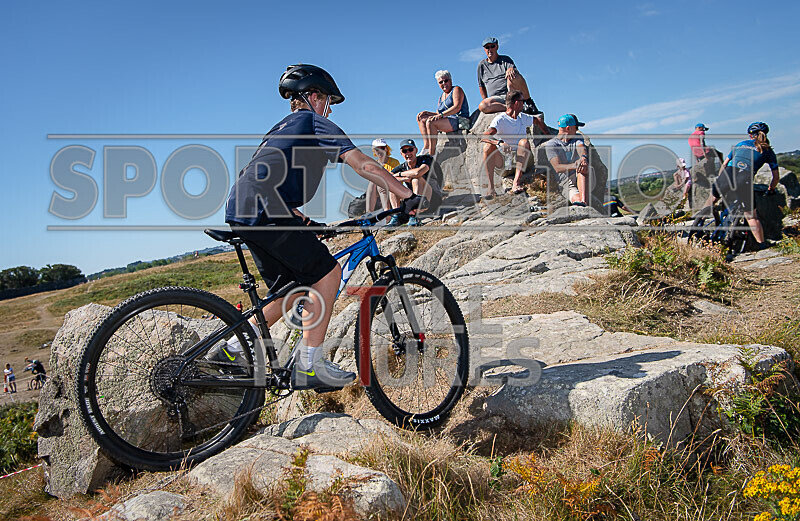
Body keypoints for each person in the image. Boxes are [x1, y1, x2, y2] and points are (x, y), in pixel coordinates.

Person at [224, 64, 421, 390]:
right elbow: (361, 163)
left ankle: (232, 348)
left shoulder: (281, 128)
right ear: (313, 96)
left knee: (290, 291)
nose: (329, 109)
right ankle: (308, 364)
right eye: (328, 100)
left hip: (244, 209)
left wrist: (299, 220)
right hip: (263, 210)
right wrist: (405, 194)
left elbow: (265, 173)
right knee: (327, 273)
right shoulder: (314, 121)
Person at [701, 121, 779, 249]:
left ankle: (698, 224)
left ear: (750, 135)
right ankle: (762, 245)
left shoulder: (740, 144)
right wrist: (771, 189)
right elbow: (775, 177)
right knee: (751, 216)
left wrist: (721, 179)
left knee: (711, 201)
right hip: (744, 180)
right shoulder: (768, 151)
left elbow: (725, 164)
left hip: (727, 175)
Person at [476, 37, 548, 134]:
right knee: (482, 106)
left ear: (496, 47)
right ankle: (511, 107)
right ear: (484, 49)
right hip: (496, 98)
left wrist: (511, 70)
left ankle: (529, 102)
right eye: (487, 47)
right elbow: (481, 86)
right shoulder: (481, 65)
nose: (490, 49)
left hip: (510, 93)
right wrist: (485, 99)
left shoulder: (505, 60)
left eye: (492, 46)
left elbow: (517, 77)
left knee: (512, 75)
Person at [481, 90, 535, 198]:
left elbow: (538, 120)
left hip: (523, 162)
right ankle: (491, 189)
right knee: (487, 147)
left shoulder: (523, 117)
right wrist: (499, 143)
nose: (524, 104)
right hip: (506, 162)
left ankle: (516, 183)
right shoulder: (500, 119)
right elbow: (484, 137)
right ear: (516, 103)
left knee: (523, 142)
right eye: (522, 101)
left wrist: (548, 134)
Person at [388, 139, 442, 226]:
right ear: (401, 153)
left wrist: (400, 174)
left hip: (432, 199)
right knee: (393, 185)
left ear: (416, 150)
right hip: (414, 201)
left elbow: (418, 172)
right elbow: (388, 178)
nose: (408, 153)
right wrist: (404, 179)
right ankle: (396, 216)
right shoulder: (402, 166)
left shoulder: (426, 159)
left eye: (410, 150)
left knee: (416, 179)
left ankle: (415, 216)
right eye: (405, 151)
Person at [416, 70, 470, 155]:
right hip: (446, 119)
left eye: (446, 80)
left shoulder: (456, 89)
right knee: (422, 118)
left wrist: (441, 115)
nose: (444, 83)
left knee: (431, 122)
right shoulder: (441, 96)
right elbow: (438, 114)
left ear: (451, 80)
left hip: (458, 119)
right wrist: (427, 113)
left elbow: (457, 107)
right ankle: (426, 147)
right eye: (441, 82)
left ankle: (432, 153)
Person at [544, 114, 592, 206]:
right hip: (565, 181)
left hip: (581, 174)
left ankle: (584, 202)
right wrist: (576, 165)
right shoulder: (551, 145)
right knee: (575, 198)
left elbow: (581, 148)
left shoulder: (577, 137)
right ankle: (581, 203)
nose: (577, 129)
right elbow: (557, 168)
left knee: (582, 168)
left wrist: (583, 158)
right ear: (568, 128)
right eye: (576, 127)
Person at [366, 138, 401, 213]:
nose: (380, 151)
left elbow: (397, 178)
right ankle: (369, 212)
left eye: (382, 148)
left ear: (386, 149)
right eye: (377, 149)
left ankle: (386, 211)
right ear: (374, 151)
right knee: (373, 183)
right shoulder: (374, 164)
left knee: (381, 183)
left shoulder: (394, 162)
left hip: (393, 188)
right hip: (379, 192)